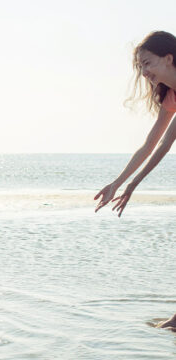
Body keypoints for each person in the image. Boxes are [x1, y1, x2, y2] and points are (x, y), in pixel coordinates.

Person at [95, 31, 176, 328]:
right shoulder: (170, 95)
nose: (144, 72)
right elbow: (149, 143)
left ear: (168, 58)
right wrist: (117, 182)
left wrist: (134, 184)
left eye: (148, 63)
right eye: (140, 66)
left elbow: (167, 143)